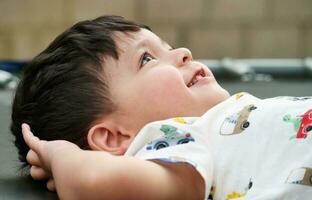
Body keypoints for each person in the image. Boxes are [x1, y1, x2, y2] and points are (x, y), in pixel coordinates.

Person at [11, 15, 312, 199]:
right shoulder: (171, 140)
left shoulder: (220, 125)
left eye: (167, 47)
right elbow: (91, 182)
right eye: (147, 59)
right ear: (114, 137)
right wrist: (60, 154)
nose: (183, 52)